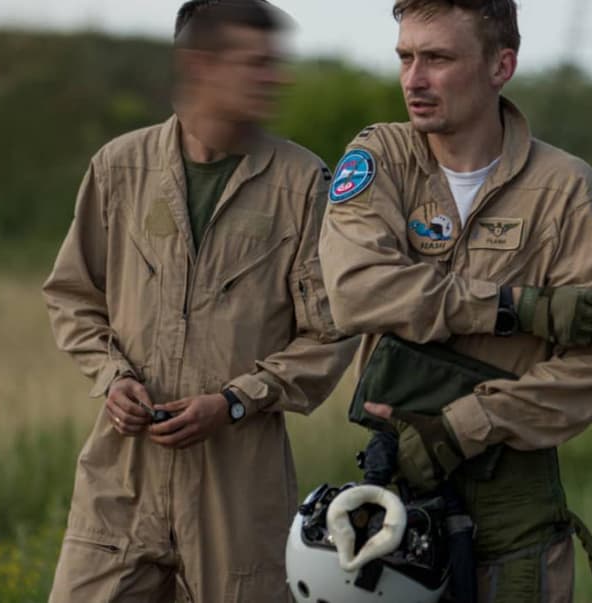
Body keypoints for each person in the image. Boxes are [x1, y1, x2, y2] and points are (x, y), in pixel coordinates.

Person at [318, 0, 592, 600]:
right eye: (405, 57)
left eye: (438, 58)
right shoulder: (382, 158)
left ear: (502, 65)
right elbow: (356, 290)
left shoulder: (564, 188)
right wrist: (515, 307)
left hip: (514, 495)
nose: (413, 80)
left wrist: (468, 424)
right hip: (395, 484)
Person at [41, 2, 358, 601]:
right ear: (201, 67)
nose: (276, 77)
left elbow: (332, 332)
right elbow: (73, 294)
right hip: (121, 481)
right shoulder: (119, 167)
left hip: (239, 493)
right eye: (257, 63)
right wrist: (112, 378)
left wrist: (236, 402)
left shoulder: (303, 183)